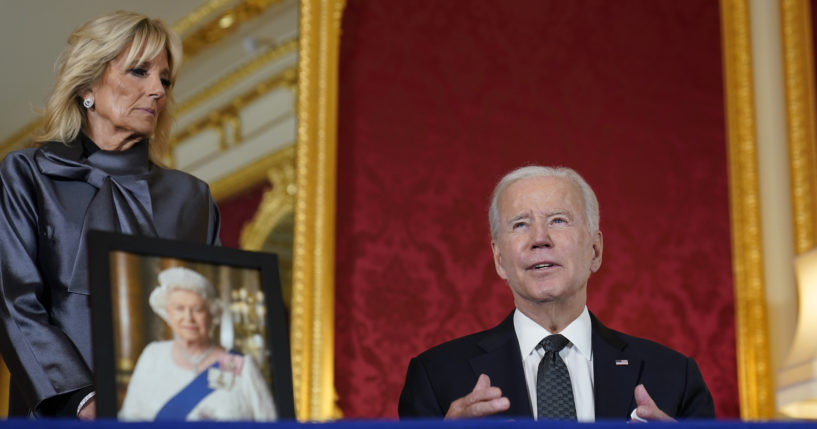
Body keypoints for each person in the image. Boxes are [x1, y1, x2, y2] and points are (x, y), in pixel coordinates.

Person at [0, 11, 220, 418]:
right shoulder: (25, 175)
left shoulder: (192, 198)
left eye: (165, 80)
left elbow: (210, 315)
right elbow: (13, 301)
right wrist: (83, 400)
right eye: (139, 72)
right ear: (87, 85)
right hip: (58, 412)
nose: (157, 90)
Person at [398, 166, 715, 421]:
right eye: (520, 224)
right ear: (499, 260)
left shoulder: (675, 377)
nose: (540, 239)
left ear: (595, 250)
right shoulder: (435, 377)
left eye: (558, 220)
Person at [118, 267, 276, 421]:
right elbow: (130, 417)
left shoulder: (239, 365)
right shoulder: (152, 356)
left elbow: (270, 421)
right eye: (179, 308)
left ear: (212, 314)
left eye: (198, 309)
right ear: (168, 313)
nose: (188, 318)